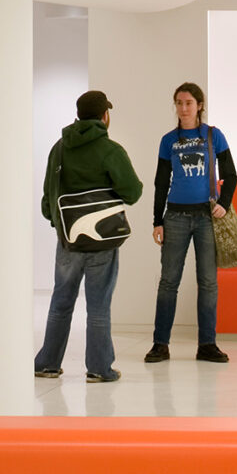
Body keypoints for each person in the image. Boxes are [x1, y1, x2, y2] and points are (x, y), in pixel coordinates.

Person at [35, 90, 144, 383]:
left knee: (61, 301)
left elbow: (48, 198)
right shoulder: (110, 150)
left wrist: (60, 224)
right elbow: (133, 192)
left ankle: (46, 363)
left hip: (68, 239)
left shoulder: (59, 148)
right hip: (101, 240)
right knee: (98, 305)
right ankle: (98, 368)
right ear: (104, 117)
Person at [146, 82, 237, 364]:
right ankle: (160, 344)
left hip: (206, 218)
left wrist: (223, 204)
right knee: (168, 282)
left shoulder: (213, 136)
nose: (183, 108)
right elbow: (161, 182)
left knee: (208, 282)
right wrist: (157, 220)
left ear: (199, 106)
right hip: (174, 217)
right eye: (179, 103)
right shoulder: (168, 140)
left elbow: (231, 175)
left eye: (188, 103)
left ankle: (207, 344)